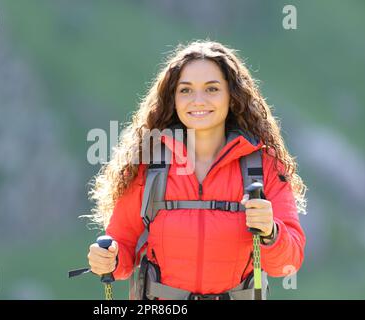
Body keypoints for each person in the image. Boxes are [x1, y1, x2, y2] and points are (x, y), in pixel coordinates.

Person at [85, 40, 307, 300]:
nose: (198, 100)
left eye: (212, 89)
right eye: (186, 90)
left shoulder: (262, 164)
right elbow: (122, 248)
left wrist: (271, 232)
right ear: (173, 98)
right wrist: (107, 258)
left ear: (232, 96)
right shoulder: (149, 163)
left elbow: (288, 263)